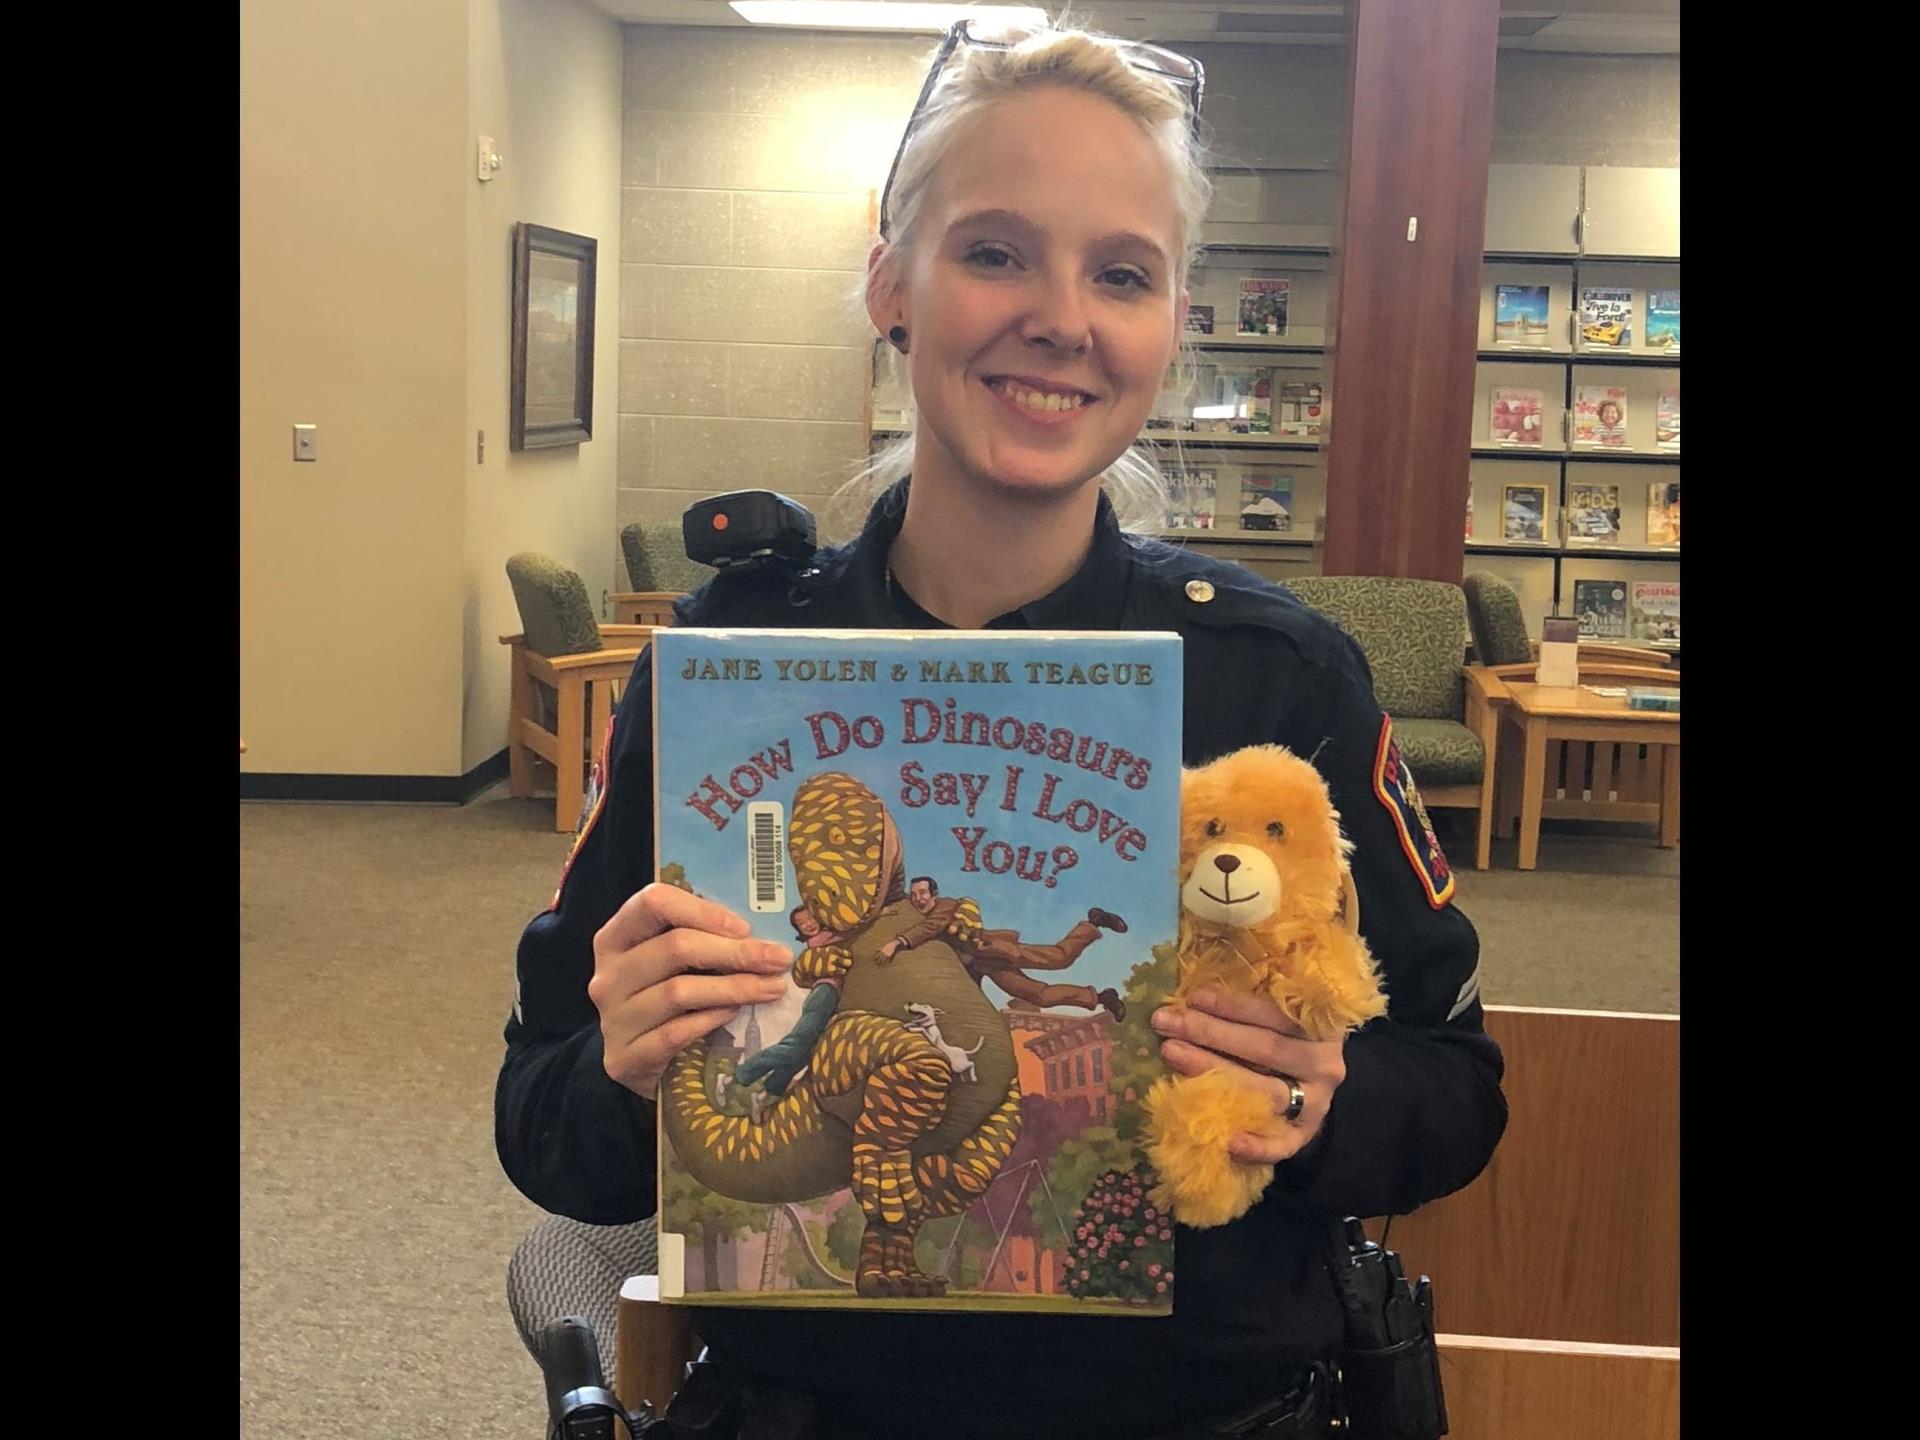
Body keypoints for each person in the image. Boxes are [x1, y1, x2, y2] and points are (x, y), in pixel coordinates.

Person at [497, 18, 1505, 1440]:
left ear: (1170, 323)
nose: (1062, 318)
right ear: (890, 283)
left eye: (1122, 273)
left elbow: (1457, 1092)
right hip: (817, 1408)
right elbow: (541, 1120)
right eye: (993, 252)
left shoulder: (1282, 684)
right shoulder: (729, 684)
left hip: (1200, 1408)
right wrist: (622, 1068)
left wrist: (1323, 1094)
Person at [882, 874, 1131, 1019]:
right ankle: (1100, 997)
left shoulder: (944, 906)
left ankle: (1094, 921)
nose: (919, 899)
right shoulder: (913, 913)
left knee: (1059, 958)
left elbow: (933, 927)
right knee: (1039, 996)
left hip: (993, 949)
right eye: (914, 895)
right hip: (983, 965)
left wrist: (897, 942)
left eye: (923, 893)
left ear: (934, 894)